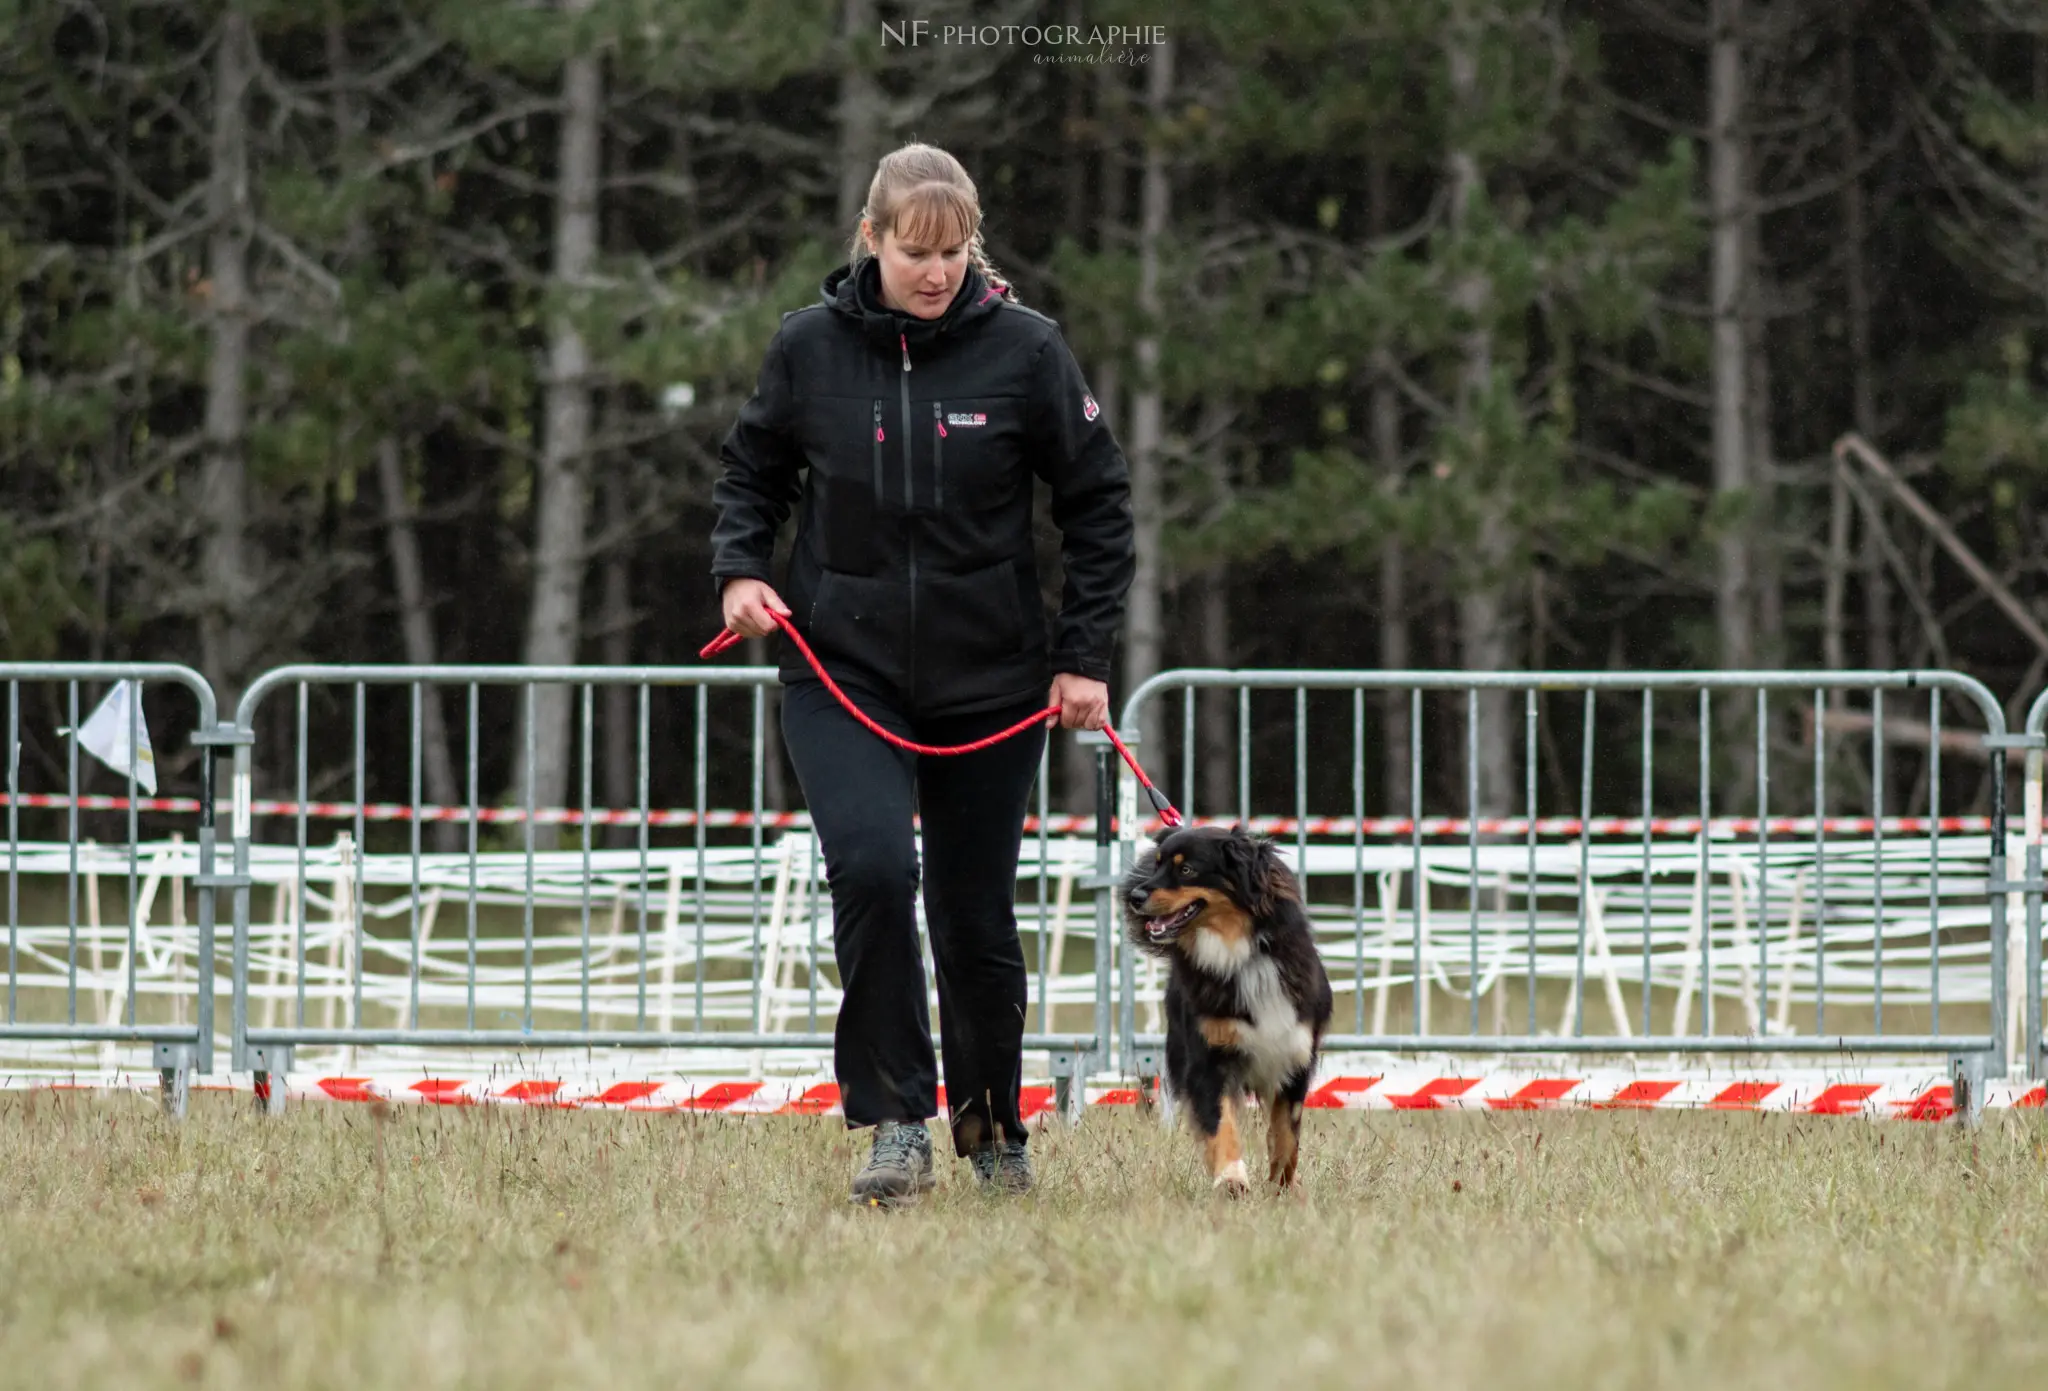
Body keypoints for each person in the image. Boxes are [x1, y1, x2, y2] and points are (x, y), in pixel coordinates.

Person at [709, 143, 1135, 1204]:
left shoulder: (1027, 351)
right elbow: (750, 473)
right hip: (840, 667)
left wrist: (1079, 657)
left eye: (951, 253)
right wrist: (738, 576)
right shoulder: (806, 348)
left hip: (990, 677)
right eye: (913, 252)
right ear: (871, 240)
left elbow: (1098, 506)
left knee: (973, 912)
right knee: (868, 871)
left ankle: (992, 1128)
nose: (935, 272)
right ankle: (893, 1121)